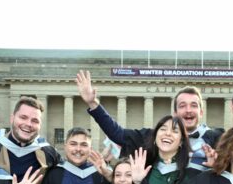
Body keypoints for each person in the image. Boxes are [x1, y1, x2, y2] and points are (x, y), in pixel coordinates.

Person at [76, 69, 223, 164]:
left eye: (194, 105)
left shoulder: (218, 138)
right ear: (175, 113)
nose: (188, 110)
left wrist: (218, 165)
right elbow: (118, 135)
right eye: (182, 106)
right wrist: (93, 103)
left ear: (201, 112)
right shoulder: (154, 137)